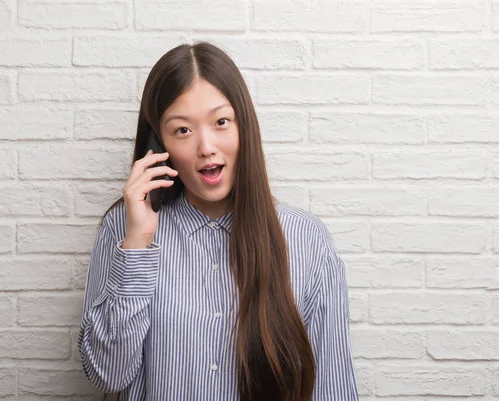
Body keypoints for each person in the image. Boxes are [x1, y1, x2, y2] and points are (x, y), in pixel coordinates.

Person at [77, 42, 359, 401]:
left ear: (244, 126)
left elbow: (331, 386)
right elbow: (107, 375)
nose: (206, 146)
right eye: (182, 130)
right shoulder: (125, 229)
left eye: (221, 122)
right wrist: (137, 244)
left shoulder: (305, 238)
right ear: (158, 143)